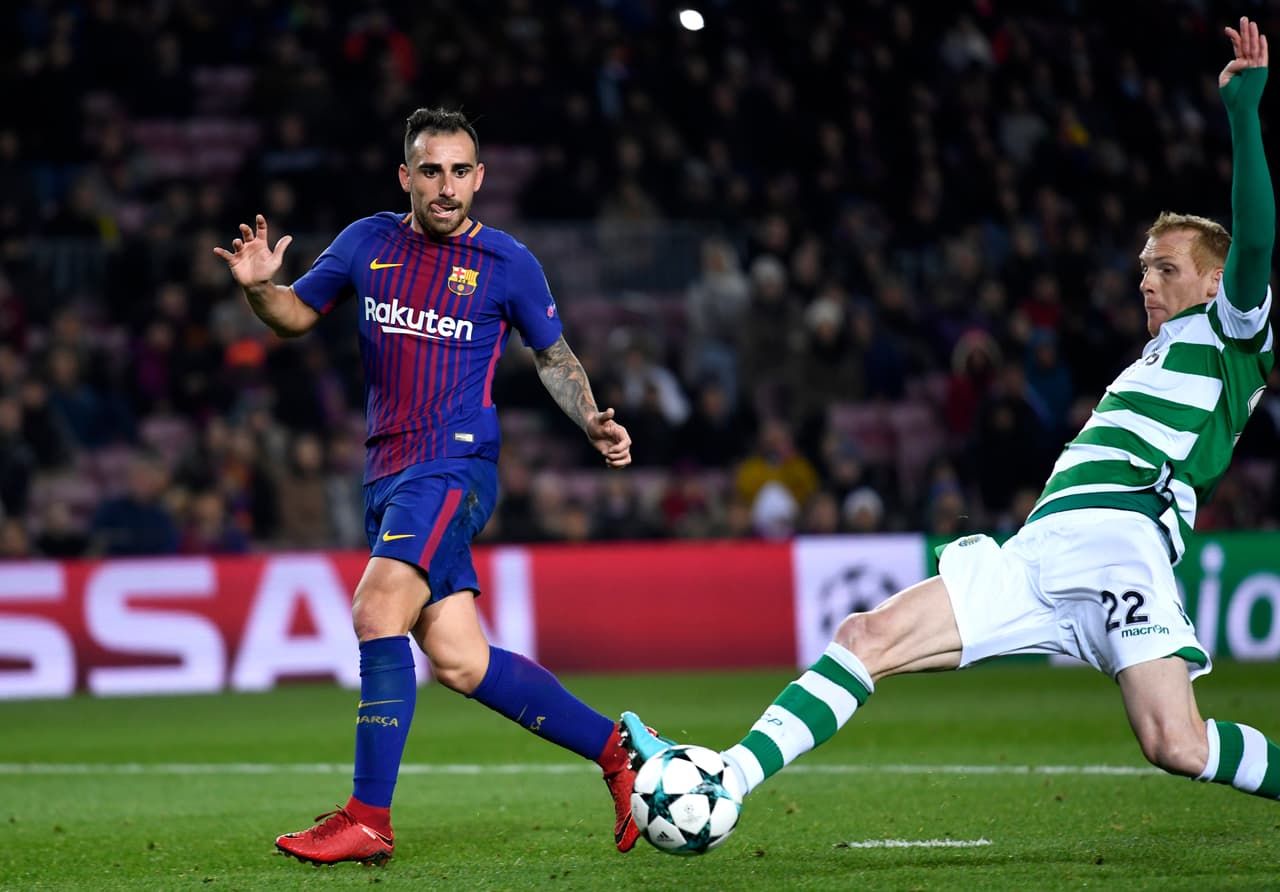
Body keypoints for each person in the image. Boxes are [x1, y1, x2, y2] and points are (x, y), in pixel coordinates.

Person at [622, 16, 1280, 823]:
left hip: (1121, 551)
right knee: (865, 637)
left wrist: (1242, 113)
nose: (1146, 280)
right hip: (1039, 551)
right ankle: (729, 777)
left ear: (1214, 282)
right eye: (1143, 267)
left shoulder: (1230, 334)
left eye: (1166, 268)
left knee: (1177, 744)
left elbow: (1254, 243)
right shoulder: (1158, 354)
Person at [214, 107, 641, 866]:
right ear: (406, 176)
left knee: (376, 608)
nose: (446, 186)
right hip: (387, 472)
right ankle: (620, 751)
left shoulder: (508, 262)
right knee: (460, 661)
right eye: (432, 171)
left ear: (479, 179)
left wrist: (590, 420)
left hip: (454, 465)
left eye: (460, 172)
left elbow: (553, 356)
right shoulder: (365, 242)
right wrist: (258, 289)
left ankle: (367, 819)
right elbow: (295, 314)